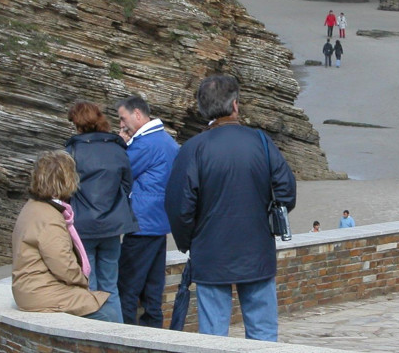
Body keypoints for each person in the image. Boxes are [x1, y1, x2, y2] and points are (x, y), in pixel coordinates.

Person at [164, 74, 296, 341]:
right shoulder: (261, 141)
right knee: (263, 333)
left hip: (211, 251)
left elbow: (179, 207)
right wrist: (266, 219)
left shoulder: (193, 149)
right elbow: (286, 192)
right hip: (256, 249)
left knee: (214, 336)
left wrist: (190, 241)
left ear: (203, 110)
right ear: (235, 105)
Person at [10, 150, 117, 321]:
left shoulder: (33, 207)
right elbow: (63, 265)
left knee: (101, 302)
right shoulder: (49, 218)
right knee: (109, 313)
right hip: (41, 292)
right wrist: (83, 281)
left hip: (32, 289)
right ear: (65, 180)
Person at [64, 102, 137, 323]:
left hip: (83, 227)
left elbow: (65, 191)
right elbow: (127, 186)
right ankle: (117, 338)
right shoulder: (117, 148)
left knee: (89, 287)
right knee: (111, 286)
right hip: (112, 226)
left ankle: (94, 338)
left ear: (77, 124)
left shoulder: (72, 152)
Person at [114, 95, 180, 328]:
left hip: (142, 223)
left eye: (123, 118)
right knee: (153, 288)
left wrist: (121, 144)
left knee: (128, 287)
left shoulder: (145, 144)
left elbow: (121, 171)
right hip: (160, 222)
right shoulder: (167, 141)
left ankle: (126, 336)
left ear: (137, 115)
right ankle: (154, 333)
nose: (121, 124)